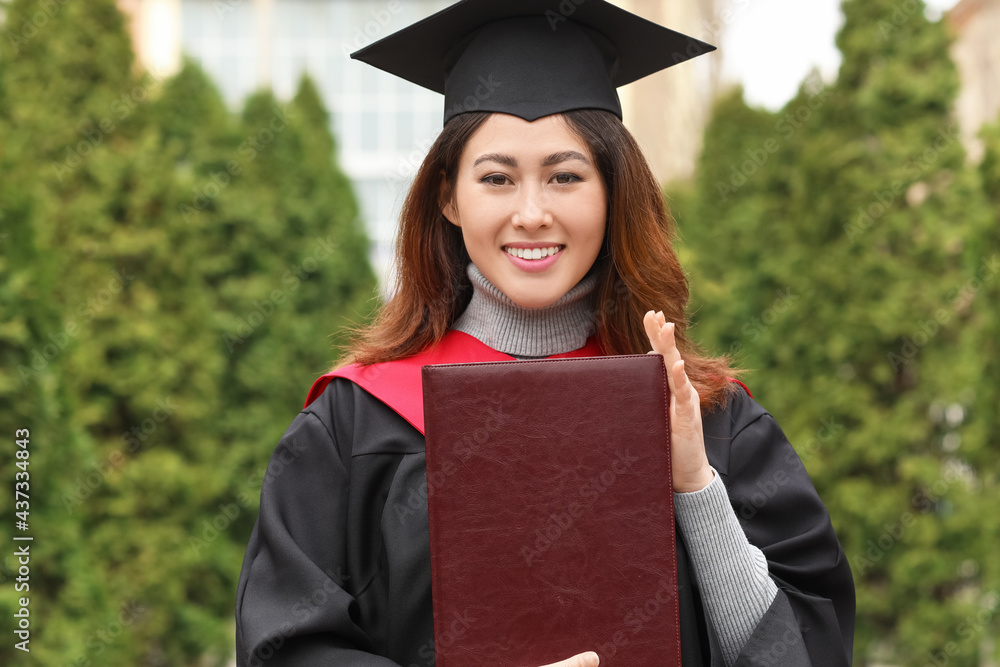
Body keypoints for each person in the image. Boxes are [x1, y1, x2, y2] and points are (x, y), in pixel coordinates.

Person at [235, 1, 855, 665]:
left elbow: (808, 645)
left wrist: (696, 485)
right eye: (497, 178)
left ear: (612, 190)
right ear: (449, 197)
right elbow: (285, 649)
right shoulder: (355, 427)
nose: (531, 213)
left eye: (565, 176)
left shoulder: (709, 421)